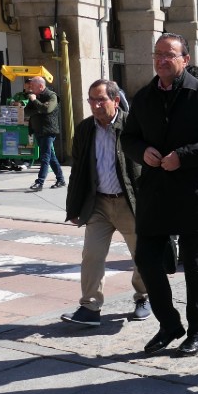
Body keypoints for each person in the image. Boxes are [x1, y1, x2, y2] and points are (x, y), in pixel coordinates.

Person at [122, 33, 198, 356]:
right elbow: (129, 138)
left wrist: (183, 155)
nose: (162, 60)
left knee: (194, 266)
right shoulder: (144, 97)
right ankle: (169, 324)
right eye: (158, 54)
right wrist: (143, 151)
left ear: (186, 59)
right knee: (147, 259)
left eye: (169, 55)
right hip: (155, 192)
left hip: (194, 194)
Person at [61, 80, 148, 326]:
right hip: (98, 203)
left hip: (129, 202)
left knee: (141, 254)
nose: (96, 105)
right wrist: (74, 208)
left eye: (101, 100)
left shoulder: (133, 125)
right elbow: (78, 170)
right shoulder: (85, 129)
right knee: (92, 255)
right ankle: (90, 307)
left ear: (116, 100)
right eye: (92, 100)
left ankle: (143, 297)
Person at [26, 76, 65, 191]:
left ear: (41, 86)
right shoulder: (35, 96)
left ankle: (40, 182)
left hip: (48, 130)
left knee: (45, 157)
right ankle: (61, 179)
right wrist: (38, 108)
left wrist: (34, 101)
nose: (30, 88)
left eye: (32, 86)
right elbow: (27, 111)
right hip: (38, 130)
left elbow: (47, 110)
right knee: (51, 157)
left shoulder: (52, 96)